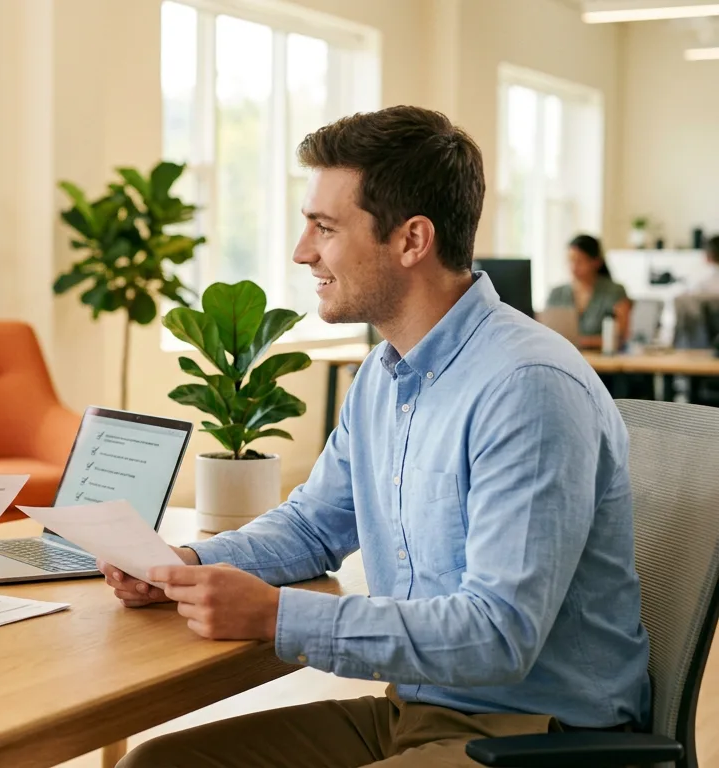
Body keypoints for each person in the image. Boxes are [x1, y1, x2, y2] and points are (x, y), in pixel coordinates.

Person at [103, 106, 650, 767]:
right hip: (416, 711)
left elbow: (499, 633)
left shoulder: (525, 385)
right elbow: (312, 527)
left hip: (535, 734)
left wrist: (278, 616)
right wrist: (187, 567)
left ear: (411, 241)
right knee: (157, 764)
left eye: (325, 228)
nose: (302, 251)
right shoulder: (384, 376)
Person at [545, 234, 631, 349]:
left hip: (601, 360)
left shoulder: (614, 292)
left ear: (596, 262)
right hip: (563, 358)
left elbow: (620, 338)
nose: (573, 267)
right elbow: (545, 332)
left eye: (579, 261)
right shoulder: (556, 293)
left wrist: (579, 342)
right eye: (570, 261)